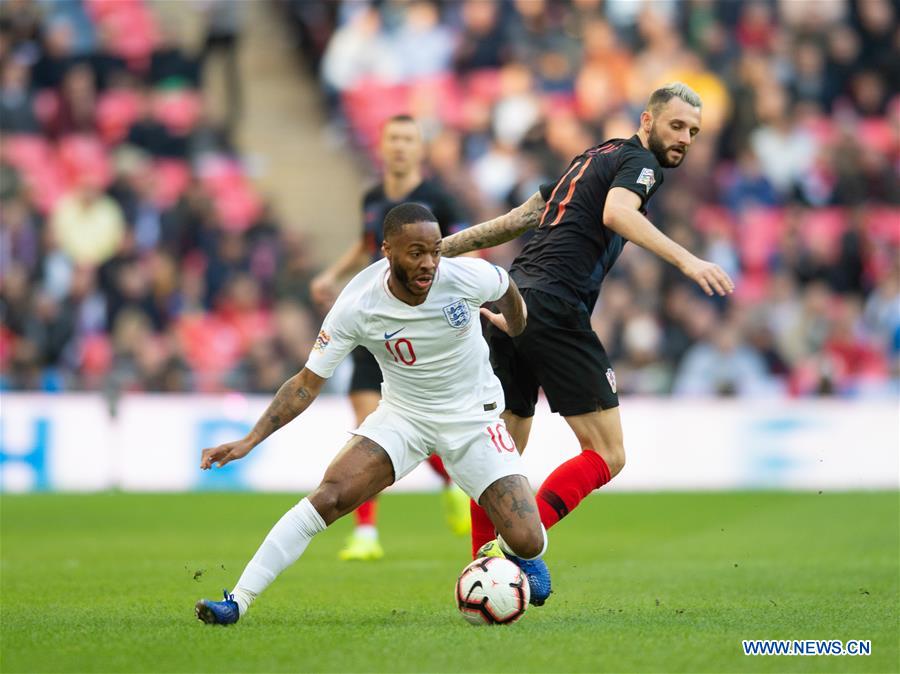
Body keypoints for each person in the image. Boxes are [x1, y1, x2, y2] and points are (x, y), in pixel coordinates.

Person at [195, 203, 552, 625]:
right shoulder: (357, 305)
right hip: (404, 417)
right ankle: (237, 600)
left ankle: (519, 556)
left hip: (474, 418)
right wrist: (249, 439)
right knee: (328, 497)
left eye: (435, 251)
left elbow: (505, 285)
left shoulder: (463, 276)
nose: (428, 264)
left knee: (528, 541)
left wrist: (516, 325)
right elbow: (306, 383)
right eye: (415, 252)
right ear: (387, 251)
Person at [439, 83, 736, 556]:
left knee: (501, 456)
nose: (684, 137)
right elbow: (618, 213)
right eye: (676, 125)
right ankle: (515, 549)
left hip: (512, 299)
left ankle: (481, 566)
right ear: (646, 121)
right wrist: (689, 261)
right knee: (608, 454)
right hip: (556, 307)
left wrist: (441, 251)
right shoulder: (642, 164)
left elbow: (522, 217)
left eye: (693, 132)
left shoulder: (592, 157)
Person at [310, 114, 471, 561]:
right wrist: (333, 275)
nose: (400, 147)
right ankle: (366, 534)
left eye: (408, 139)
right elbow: (367, 247)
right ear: (382, 146)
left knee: (417, 426)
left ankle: (451, 482)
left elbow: (466, 247)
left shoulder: (438, 198)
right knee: (368, 426)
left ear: (420, 149)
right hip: (377, 320)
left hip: (423, 326)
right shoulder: (373, 197)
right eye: (393, 138)